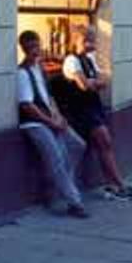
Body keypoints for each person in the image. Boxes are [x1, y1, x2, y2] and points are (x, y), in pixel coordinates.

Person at [62, 25, 132, 201]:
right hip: (81, 110)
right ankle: (119, 186)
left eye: (92, 39)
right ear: (76, 40)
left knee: (105, 146)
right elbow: (84, 85)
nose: (90, 44)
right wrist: (93, 82)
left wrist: (93, 82)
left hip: (93, 107)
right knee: (105, 142)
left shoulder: (89, 59)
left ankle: (112, 186)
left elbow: (104, 81)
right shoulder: (71, 60)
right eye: (86, 40)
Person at [17, 29, 88, 218]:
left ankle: (61, 185)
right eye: (30, 47)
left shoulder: (40, 69)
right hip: (34, 124)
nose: (35, 50)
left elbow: (49, 97)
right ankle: (75, 202)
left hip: (50, 119)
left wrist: (59, 117)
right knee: (56, 158)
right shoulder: (22, 72)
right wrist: (50, 122)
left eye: (36, 45)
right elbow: (27, 105)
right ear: (23, 49)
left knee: (78, 145)